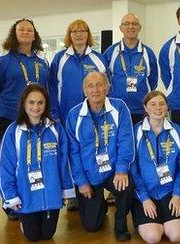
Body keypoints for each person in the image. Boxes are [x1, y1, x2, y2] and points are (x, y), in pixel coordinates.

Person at [0, 85, 75, 241]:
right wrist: (10, 196)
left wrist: (66, 189)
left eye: (40, 103)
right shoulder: (13, 131)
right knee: (32, 236)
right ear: (24, 104)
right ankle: (23, 219)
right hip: (26, 194)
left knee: (47, 235)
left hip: (51, 193)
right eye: (31, 102)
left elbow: (64, 162)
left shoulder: (56, 128)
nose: (35, 107)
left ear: (46, 104)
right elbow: (5, 167)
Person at [0, 19, 49, 220]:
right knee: (11, 162)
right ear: (14, 34)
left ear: (34, 35)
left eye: (29, 30)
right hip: (10, 117)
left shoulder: (41, 60)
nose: (25, 32)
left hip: (37, 118)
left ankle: (32, 200)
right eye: (21, 29)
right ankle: (9, 203)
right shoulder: (3, 58)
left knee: (34, 159)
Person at [65, 72, 134, 241]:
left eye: (99, 84)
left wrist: (121, 170)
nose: (95, 89)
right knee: (92, 227)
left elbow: (125, 141)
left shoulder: (119, 108)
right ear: (84, 90)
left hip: (113, 171)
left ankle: (120, 222)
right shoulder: (74, 115)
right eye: (90, 85)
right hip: (89, 175)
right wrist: (81, 182)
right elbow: (73, 153)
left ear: (107, 87)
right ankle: (100, 204)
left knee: (127, 186)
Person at [130, 91, 180, 243]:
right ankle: (157, 223)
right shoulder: (136, 132)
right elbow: (133, 169)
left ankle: (169, 222)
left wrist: (177, 194)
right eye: (153, 104)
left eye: (162, 104)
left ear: (167, 107)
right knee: (153, 237)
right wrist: (144, 198)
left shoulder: (178, 131)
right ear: (145, 108)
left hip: (170, 192)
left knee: (176, 236)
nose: (158, 108)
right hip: (145, 194)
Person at [48, 19, 108, 123]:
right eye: (74, 31)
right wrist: (54, 112)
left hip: (94, 115)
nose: (79, 34)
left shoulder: (99, 58)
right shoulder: (60, 58)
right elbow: (52, 87)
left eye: (82, 31)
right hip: (65, 114)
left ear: (87, 34)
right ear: (69, 35)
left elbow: (107, 87)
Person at [104, 13, 158, 125]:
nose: (130, 27)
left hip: (142, 109)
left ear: (140, 27)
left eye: (134, 24)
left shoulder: (148, 53)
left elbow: (153, 81)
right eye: (126, 24)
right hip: (116, 109)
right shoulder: (110, 52)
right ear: (120, 28)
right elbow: (104, 79)